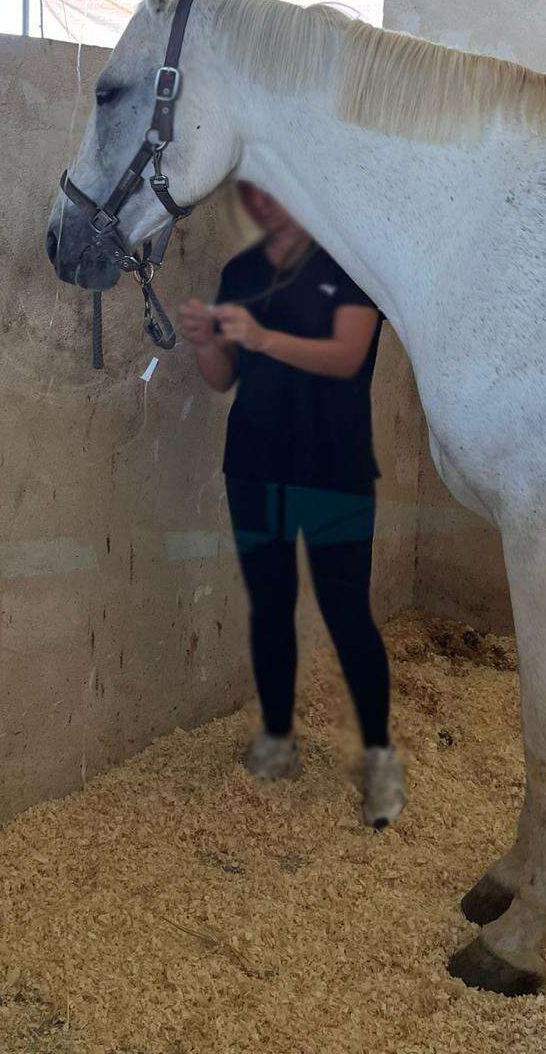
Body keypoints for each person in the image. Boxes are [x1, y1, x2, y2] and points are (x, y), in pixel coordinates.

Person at [178, 183, 407, 828]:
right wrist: (206, 341)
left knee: (347, 614)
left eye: (275, 190)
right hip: (253, 466)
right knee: (270, 605)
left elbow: (346, 357)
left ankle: (380, 760)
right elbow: (223, 377)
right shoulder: (241, 272)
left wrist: (261, 337)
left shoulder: (349, 267)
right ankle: (277, 740)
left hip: (334, 472)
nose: (262, 202)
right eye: (253, 193)